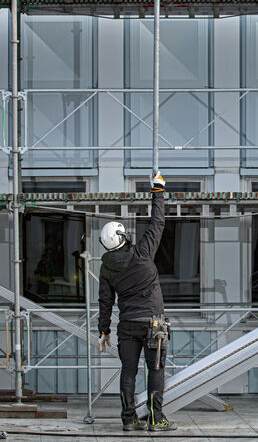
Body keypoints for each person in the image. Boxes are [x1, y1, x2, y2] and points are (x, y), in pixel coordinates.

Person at [98, 171, 177, 432]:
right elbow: (157, 223)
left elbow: (105, 301)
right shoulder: (141, 253)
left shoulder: (106, 268)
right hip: (153, 323)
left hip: (127, 325)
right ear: (123, 238)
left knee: (128, 372)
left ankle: (129, 419)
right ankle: (156, 419)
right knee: (155, 371)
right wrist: (157, 191)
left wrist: (104, 329)